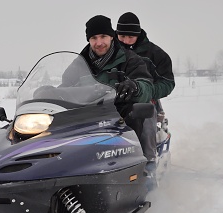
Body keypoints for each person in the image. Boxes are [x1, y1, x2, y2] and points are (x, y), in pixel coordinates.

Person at [62, 15, 154, 150]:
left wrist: (135, 86)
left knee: (134, 113)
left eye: (103, 36)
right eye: (94, 38)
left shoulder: (130, 60)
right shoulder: (79, 64)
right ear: (89, 40)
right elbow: (65, 88)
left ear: (111, 36)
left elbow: (147, 85)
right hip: (87, 116)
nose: (99, 43)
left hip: (119, 116)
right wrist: (50, 93)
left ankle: (139, 161)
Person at [116, 12, 175, 167]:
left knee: (146, 129)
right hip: (112, 102)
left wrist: (147, 92)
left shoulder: (155, 55)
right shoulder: (110, 52)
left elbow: (168, 82)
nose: (125, 41)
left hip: (144, 104)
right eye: (122, 36)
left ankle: (148, 166)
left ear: (138, 34)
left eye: (130, 37)